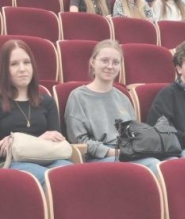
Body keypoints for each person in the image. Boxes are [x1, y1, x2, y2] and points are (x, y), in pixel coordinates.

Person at [0, 40, 72, 185]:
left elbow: (56, 141)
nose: (22, 69)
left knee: (70, 173)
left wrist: (15, 141)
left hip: (48, 159)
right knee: (44, 176)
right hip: (11, 163)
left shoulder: (47, 102)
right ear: (4, 69)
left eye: (27, 62)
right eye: (14, 64)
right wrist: (39, 140)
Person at [65, 40, 161, 174]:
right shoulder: (78, 96)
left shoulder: (123, 97)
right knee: (145, 166)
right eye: (104, 61)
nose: (110, 66)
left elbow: (133, 132)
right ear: (92, 62)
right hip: (98, 157)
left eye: (115, 62)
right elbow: (79, 141)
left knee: (159, 164)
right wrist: (113, 152)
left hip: (125, 153)